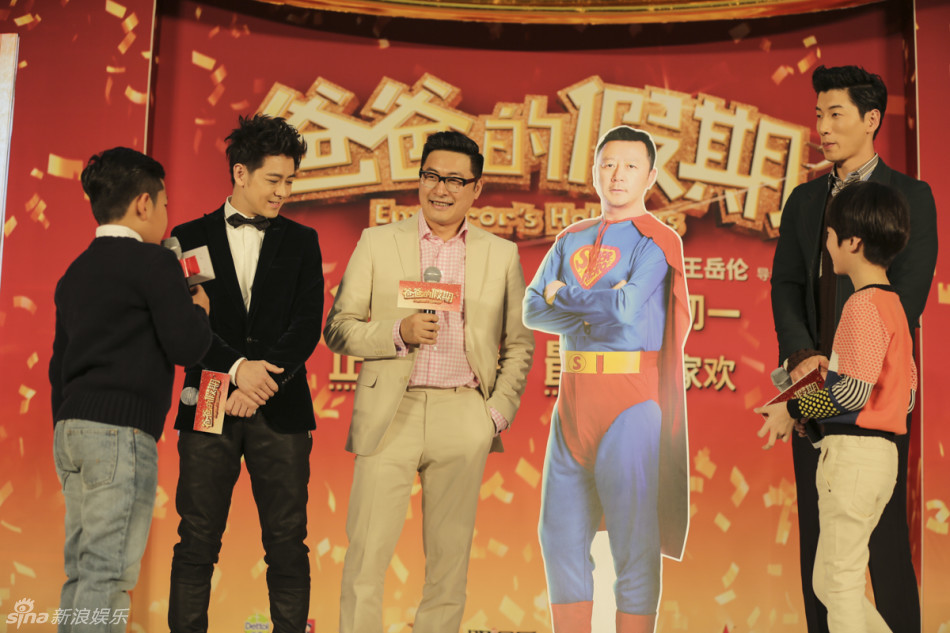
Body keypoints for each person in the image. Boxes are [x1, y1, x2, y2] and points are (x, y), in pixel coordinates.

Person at [323, 130, 534, 633]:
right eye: (432, 176)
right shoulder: (378, 242)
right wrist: (398, 332)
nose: (442, 189)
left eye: (456, 180)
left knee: (449, 561)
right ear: (419, 179)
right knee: (366, 554)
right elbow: (338, 327)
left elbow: (519, 343)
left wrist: (494, 414)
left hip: (463, 412)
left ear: (476, 189)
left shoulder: (500, 254)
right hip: (390, 413)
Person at [770, 65, 937, 633]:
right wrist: (803, 359)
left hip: (860, 409)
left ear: (871, 120)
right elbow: (786, 284)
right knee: (822, 558)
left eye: (835, 114)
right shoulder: (804, 200)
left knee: (879, 550)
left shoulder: (910, 197)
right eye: (818, 114)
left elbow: (904, 299)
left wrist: (801, 401)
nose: (822, 127)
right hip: (820, 384)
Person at [523, 126, 690, 633]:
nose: (617, 175)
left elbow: (625, 307)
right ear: (594, 170)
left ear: (651, 176)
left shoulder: (657, 241)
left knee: (633, 538)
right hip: (573, 402)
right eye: (608, 164)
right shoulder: (569, 238)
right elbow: (532, 310)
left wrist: (562, 295)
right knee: (558, 534)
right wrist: (593, 305)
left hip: (632, 402)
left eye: (631, 166)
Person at [167, 114, 324, 633]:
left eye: (290, 181)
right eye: (274, 180)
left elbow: (306, 326)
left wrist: (258, 386)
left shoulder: (302, 241)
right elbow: (190, 323)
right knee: (196, 539)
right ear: (240, 172)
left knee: (287, 541)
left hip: (281, 405)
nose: (283, 192)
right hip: (211, 395)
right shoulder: (188, 238)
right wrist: (236, 370)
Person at [49, 147, 211, 633]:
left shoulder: (75, 271)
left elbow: (58, 366)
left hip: (71, 433)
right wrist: (200, 311)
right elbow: (187, 346)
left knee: (83, 570)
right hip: (119, 434)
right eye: (164, 205)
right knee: (109, 572)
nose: (166, 216)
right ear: (144, 203)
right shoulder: (154, 263)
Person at [757, 180, 917, 633]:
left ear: (853, 242)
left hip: (853, 461)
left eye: (829, 234)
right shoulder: (894, 307)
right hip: (879, 459)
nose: (826, 243)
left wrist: (793, 407)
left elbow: (851, 395)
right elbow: (904, 395)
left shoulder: (861, 306)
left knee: (840, 586)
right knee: (829, 583)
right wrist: (831, 382)